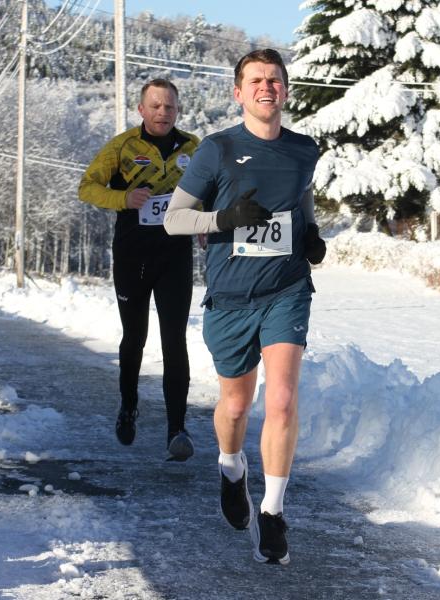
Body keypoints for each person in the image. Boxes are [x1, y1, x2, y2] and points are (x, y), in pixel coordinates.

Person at [164, 48, 327, 565]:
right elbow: (173, 220)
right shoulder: (216, 150)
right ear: (238, 92)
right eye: (256, 80)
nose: (266, 88)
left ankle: (274, 513)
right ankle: (231, 468)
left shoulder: (304, 150)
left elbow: (301, 197)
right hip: (231, 297)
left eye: (275, 80)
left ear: (285, 89)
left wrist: (312, 233)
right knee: (236, 405)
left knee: (280, 400)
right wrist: (224, 219)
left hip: (286, 288)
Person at [78, 78, 201, 461]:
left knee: (174, 339)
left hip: (175, 254)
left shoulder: (193, 148)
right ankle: (128, 406)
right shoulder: (123, 147)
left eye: (170, 107)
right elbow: (87, 187)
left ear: (177, 111)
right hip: (132, 254)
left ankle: (176, 429)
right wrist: (124, 198)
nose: (163, 112)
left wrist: (204, 222)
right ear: (141, 110)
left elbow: (209, 188)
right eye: (156, 106)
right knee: (135, 337)